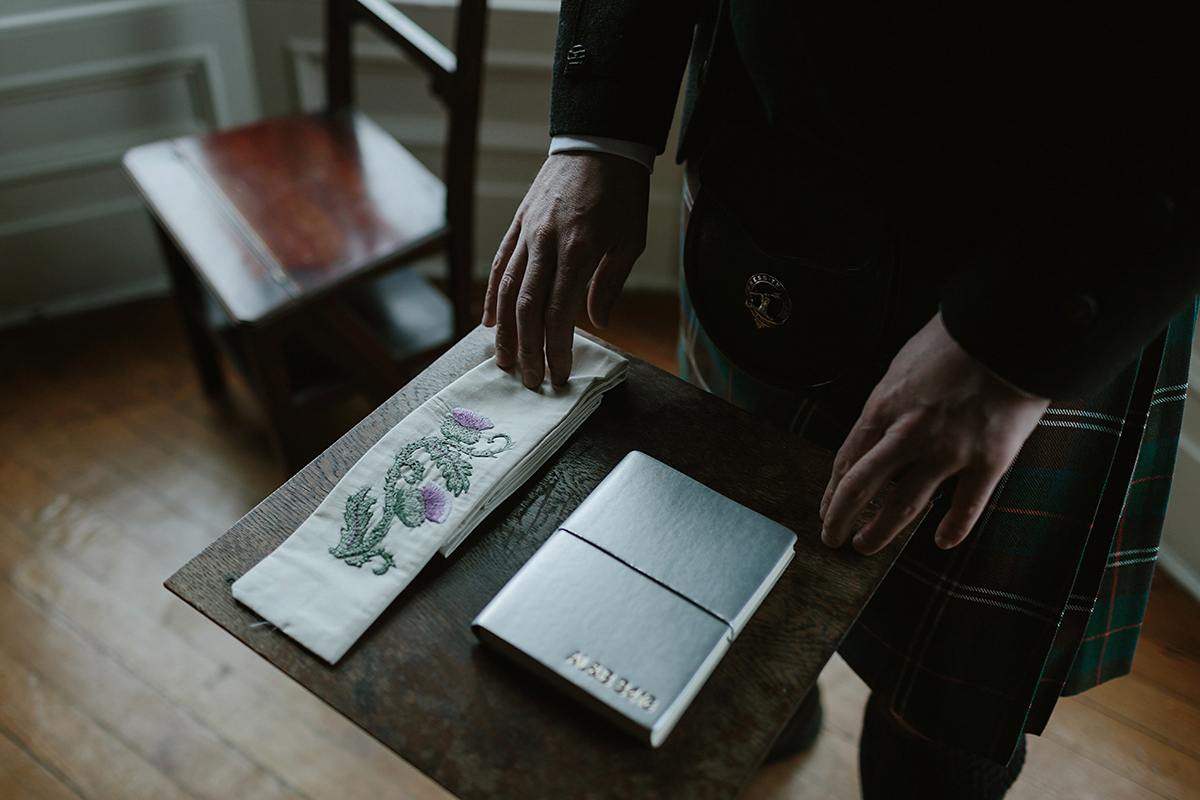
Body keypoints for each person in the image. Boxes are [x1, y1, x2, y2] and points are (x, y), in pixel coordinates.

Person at [483, 2, 1200, 797]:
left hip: (1046, 254)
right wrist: (600, 131)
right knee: (727, 555)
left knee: (943, 705)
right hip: (758, 172)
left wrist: (1016, 341)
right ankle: (780, 726)